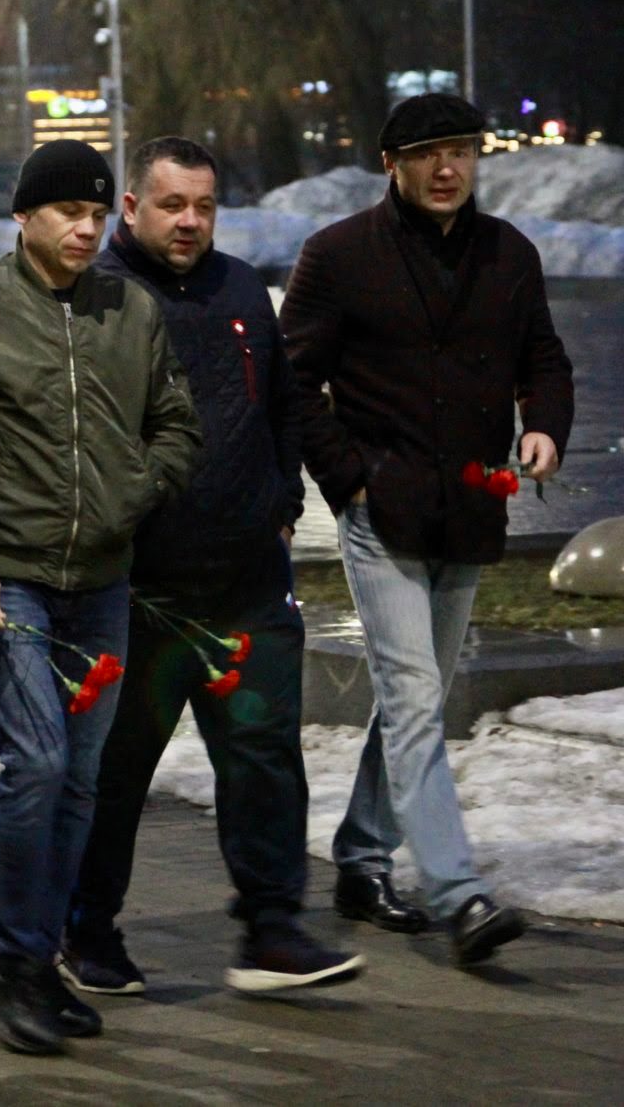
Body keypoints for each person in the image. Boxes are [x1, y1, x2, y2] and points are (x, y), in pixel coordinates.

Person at [0, 139, 201, 1055]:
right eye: (67, 212)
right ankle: (14, 962)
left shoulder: (127, 308)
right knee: (38, 765)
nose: (86, 229)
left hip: (101, 580)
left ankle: (45, 954)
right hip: (8, 577)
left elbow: (176, 421)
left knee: (81, 778)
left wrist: (136, 491)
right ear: (23, 216)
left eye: (98, 215)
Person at [281, 93, 573, 966]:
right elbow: (293, 382)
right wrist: (349, 480)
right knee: (413, 699)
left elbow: (544, 357)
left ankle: (361, 859)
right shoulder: (336, 256)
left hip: (472, 510)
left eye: (463, 151)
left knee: (417, 703)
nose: (449, 167)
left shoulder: (508, 254)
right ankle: (459, 893)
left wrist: (545, 424)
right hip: (382, 516)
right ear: (391, 163)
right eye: (429, 153)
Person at [66, 136, 360, 997]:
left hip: (247, 582)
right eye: (172, 205)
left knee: (266, 760)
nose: (190, 221)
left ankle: (272, 929)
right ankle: (86, 932)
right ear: (130, 208)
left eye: (203, 206)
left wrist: (282, 498)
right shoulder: (97, 295)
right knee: (117, 771)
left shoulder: (240, 287)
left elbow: (280, 399)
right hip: (138, 591)